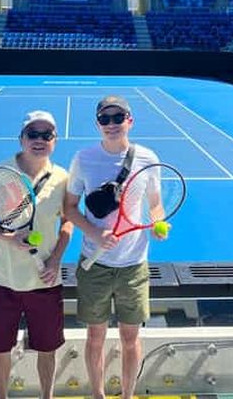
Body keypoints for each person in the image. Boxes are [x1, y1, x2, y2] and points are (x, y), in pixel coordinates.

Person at [64, 95, 165, 399]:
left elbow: (155, 204)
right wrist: (95, 233)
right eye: (105, 119)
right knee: (95, 336)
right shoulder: (83, 159)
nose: (111, 124)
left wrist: (159, 223)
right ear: (97, 124)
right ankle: (98, 395)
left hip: (134, 265)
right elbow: (69, 209)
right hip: (94, 266)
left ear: (129, 121)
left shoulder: (148, 158)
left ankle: (127, 395)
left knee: (130, 337)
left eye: (117, 118)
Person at [0, 110, 72, 399]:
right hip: (3, 280)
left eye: (46, 135)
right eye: (33, 134)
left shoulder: (63, 178)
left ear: (55, 140)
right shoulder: (0, 175)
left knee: (48, 350)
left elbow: (67, 221)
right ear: (21, 138)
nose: (39, 140)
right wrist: (9, 238)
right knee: (0, 350)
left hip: (45, 281)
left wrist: (55, 260)